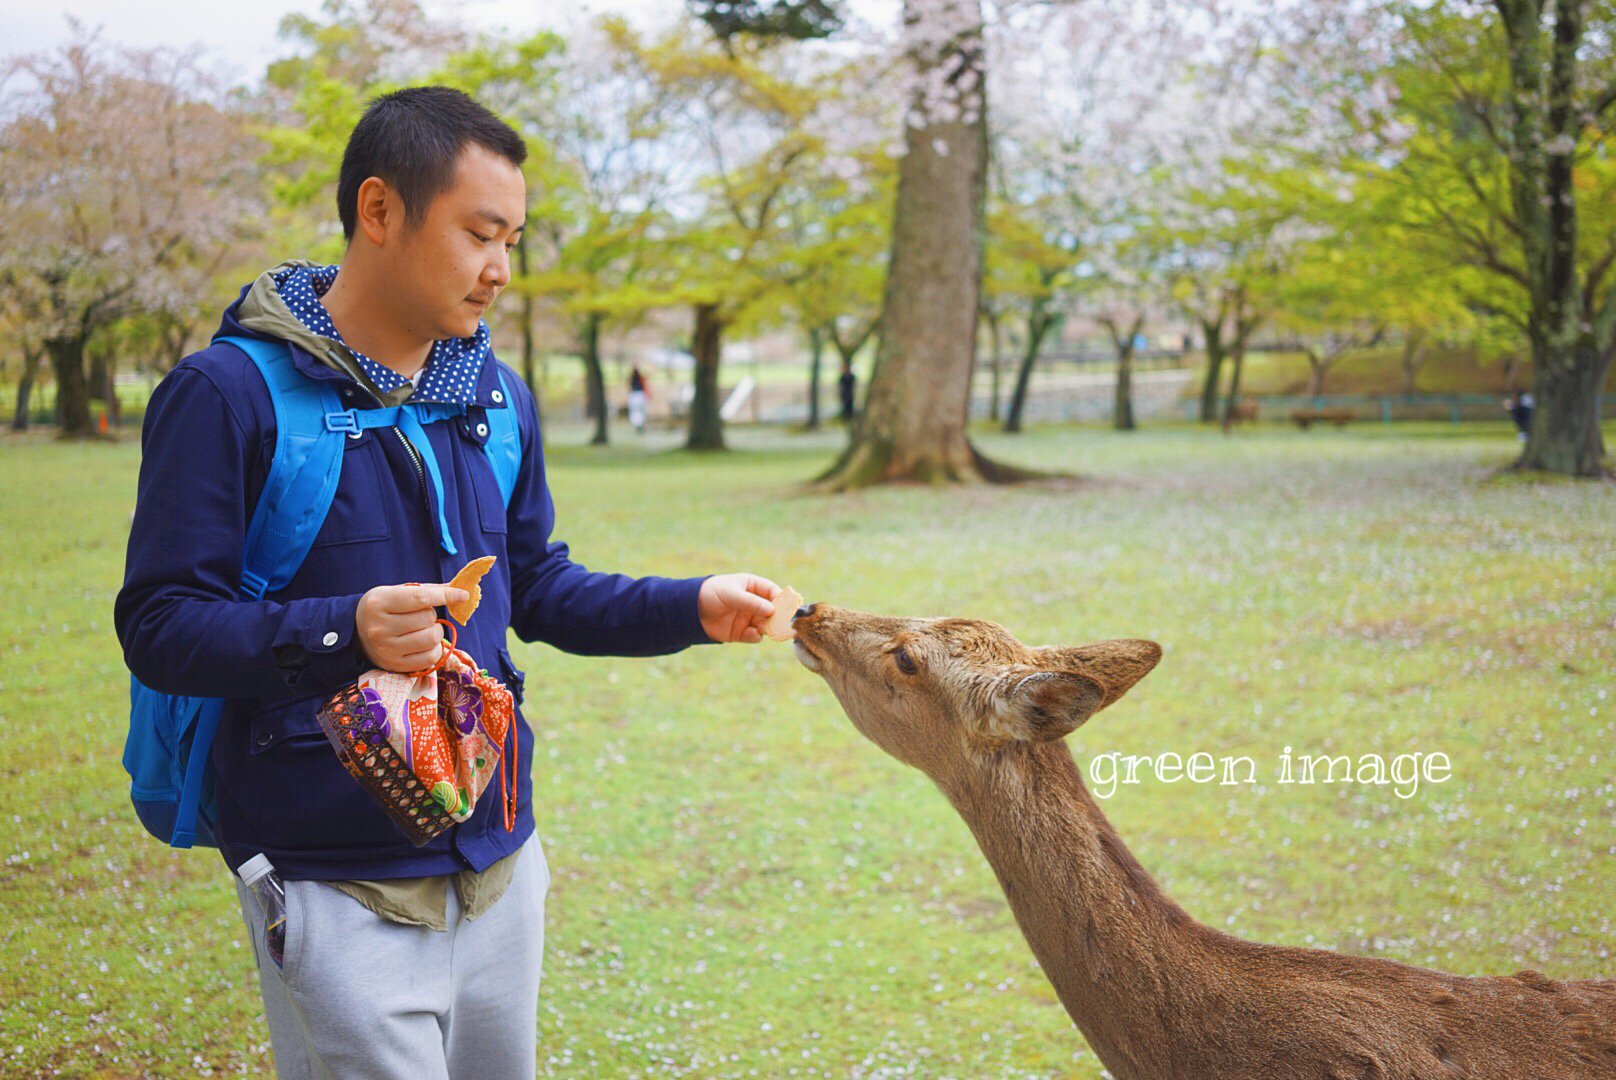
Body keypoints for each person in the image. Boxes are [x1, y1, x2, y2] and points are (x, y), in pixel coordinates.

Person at [115, 87, 784, 1080]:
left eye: (511, 238)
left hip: (502, 861)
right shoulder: (225, 396)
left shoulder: (495, 398)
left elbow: (537, 585)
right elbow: (163, 627)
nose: (500, 271)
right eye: (479, 234)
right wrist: (346, 628)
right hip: (334, 881)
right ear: (378, 212)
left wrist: (690, 605)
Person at [627, 365, 649, 433]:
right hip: (638, 395)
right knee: (638, 412)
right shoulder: (638, 379)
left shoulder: (634, 379)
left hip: (636, 395)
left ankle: (639, 426)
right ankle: (639, 426)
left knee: (637, 412)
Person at [837, 358, 856, 423]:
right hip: (844, 396)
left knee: (850, 409)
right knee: (844, 409)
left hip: (850, 395)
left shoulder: (852, 376)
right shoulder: (842, 377)